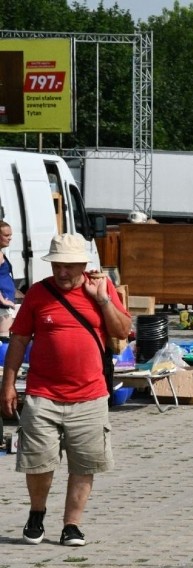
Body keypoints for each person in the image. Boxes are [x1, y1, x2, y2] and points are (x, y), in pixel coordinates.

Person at [0, 233, 131, 547]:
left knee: (84, 464)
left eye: (69, 266)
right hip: (42, 394)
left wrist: (102, 299)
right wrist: (8, 385)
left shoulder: (101, 287)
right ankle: (36, 513)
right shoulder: (38, 293)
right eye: (58, 265)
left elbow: (123, 330)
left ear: (83, 265)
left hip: (90, 395)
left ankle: (72, 525)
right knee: (38, 461)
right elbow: (18, 340)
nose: (63, 272)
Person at [0, 222, 17, 338]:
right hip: (2, 307)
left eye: (10, 235)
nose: (10, 238)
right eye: (6, 235)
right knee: (4, 338)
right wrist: (3, 301)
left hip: (4, 302)